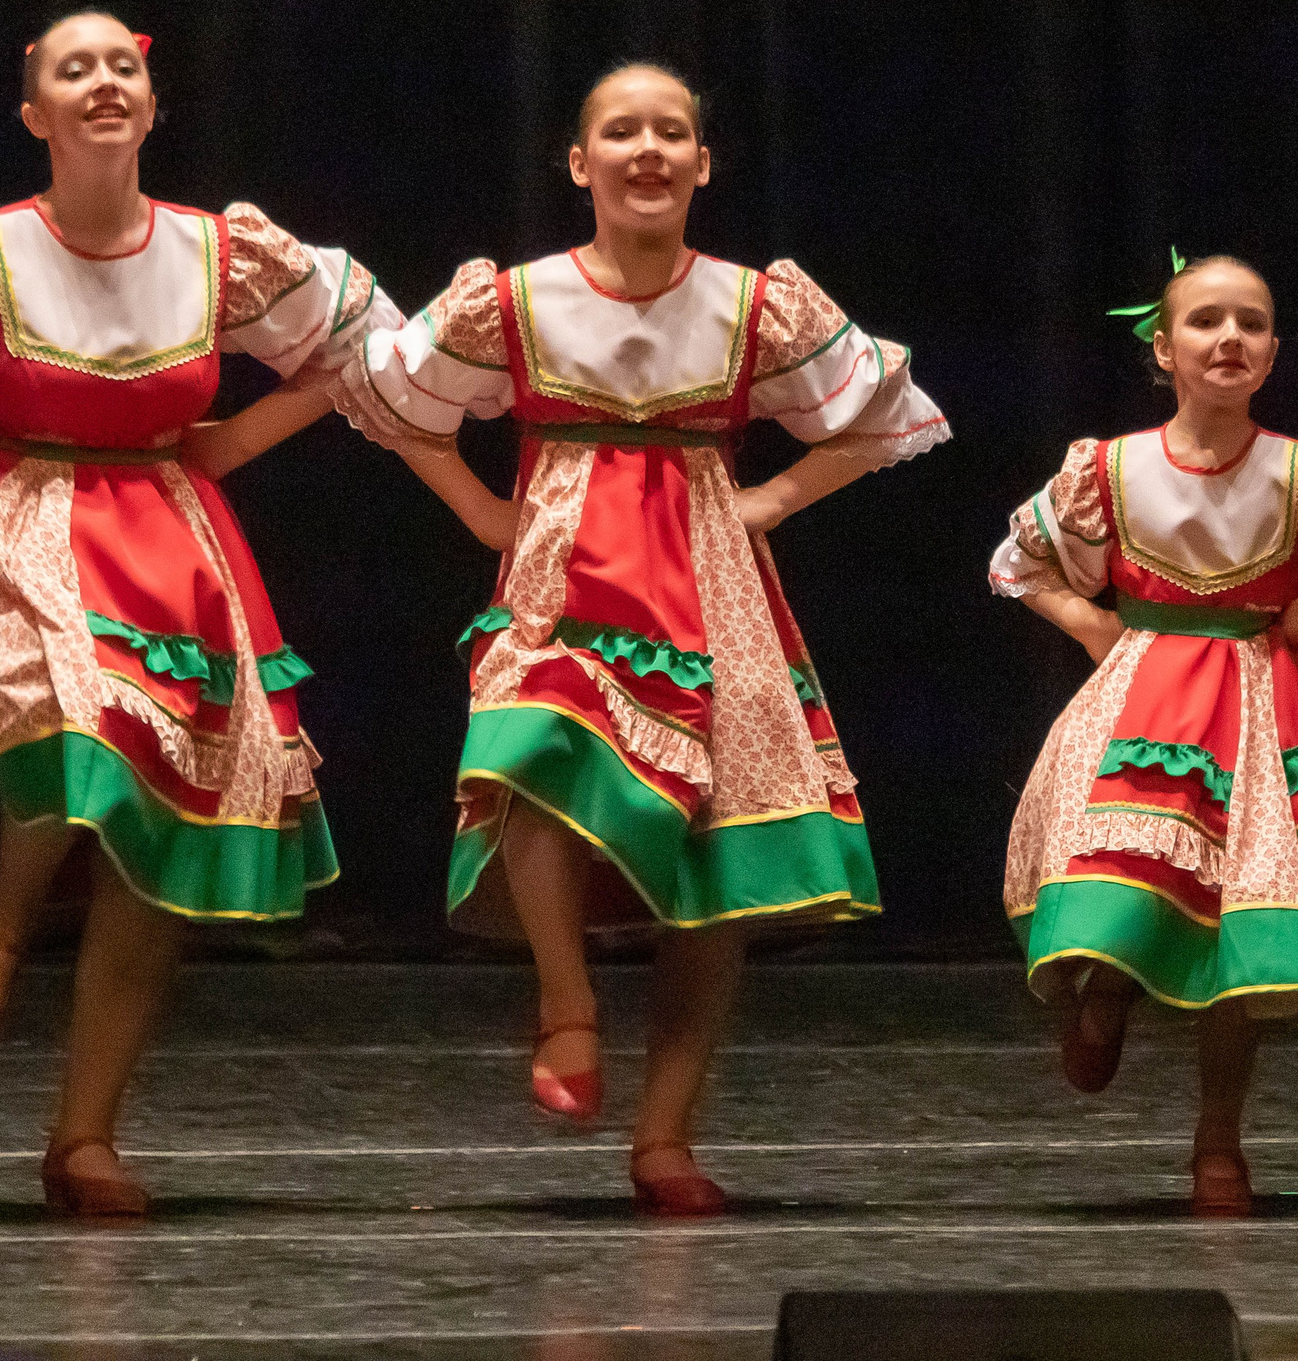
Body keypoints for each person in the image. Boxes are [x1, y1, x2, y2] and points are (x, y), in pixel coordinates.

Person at [0, 10, 392, 1217]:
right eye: (72, 68)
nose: (104, 81)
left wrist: (241, 435)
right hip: (17, 521)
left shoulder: (218, 253)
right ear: (36, 114)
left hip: (167, 534)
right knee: (76, 725)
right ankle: (2, 916)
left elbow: (367, 339)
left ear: (152, 106)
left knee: (156, 833)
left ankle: (83, 1136)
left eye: (124, 66)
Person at [338, 61, 946, 1216]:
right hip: (565, 568)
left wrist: (770, 500)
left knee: (705, 853)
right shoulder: (516, 301)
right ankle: (566, 1006)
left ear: (703, 163)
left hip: (705, 577)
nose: (649, 151)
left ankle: (665, 1136)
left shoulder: (753, 304)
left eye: (672, 133)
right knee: (524, 755)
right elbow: (398, 397)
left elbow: (876, 415)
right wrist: (480, 511)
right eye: (622, 133)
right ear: (581, 163)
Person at [989, 253, 1298, 1217]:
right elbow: (1025, 559)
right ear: (1164, 350)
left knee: (1240, 934)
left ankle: (1218, 1140)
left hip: (1265, 709)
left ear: (1270, 352)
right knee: (1122, 883)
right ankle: (1105, 991)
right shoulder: (1111, 469)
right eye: (1207, 321)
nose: (1230, 338)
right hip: (1146, 703)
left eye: (1251, 323)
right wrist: (1093, 624)